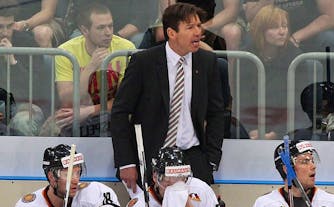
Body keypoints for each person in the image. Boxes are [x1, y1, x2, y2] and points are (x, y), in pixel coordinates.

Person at [111, 2, 224, 192]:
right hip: (150, 155)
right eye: (190, 27)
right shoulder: (143, 62)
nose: (198, 32)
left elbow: (216, 113)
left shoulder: (208, 62)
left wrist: (211, 159)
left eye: (198, 25)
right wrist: (126, 162)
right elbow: (120, 112)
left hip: (193, 157)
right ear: (172, 33)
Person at [53, 3, 136, 136]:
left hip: (112, 113)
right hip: (76, 112)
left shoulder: (126, 48)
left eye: (110, 26)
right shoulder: (66, 51)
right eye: (101, 28)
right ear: (85, 30)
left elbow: (125, 100)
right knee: (53, 128)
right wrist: (91, 67)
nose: (108, 33)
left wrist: (90, 110)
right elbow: (67, 99)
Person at [240, 5, 316, 139]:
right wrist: (251, 129)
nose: (282, 32)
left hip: (286, 120)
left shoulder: (296, 57)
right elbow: (242, 98)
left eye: (285, 26)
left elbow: (298, 102)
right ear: (261, 31)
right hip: (255, 120)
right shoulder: (247, 57)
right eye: (275, 27)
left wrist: (276, 133)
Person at [15, 144, 120, 206]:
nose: (75, 180)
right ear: (51, 177)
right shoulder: (29, 204)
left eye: (77, 172)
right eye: (68, 174)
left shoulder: (97, 193)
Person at [252, 140, 334, 206]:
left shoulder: (331, 202)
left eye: (312, 161)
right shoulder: (266, 204)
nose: (313, 166)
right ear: (287, 169)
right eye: (305, 162)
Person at [125, 147, 219, 207]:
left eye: (180, 178)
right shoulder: (140, 204)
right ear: (155, 177)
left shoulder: (201, 190)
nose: (175, 184)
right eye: (167, 179)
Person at [243, 0, 334, 53]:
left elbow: (332, 17)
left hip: (310, 33)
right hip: (272, 33)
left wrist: (296, 37)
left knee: (330, 39)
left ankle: (330, 89)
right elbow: (250, 16)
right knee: (250, 39)